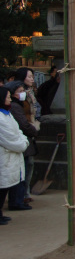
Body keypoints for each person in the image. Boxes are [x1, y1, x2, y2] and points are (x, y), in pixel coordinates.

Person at [5, 81, 38, 209]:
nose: (23, 93)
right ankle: (18, 200)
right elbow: (22, 125)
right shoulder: (14, 107)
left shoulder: (19, 105)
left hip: (23, 142)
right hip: (21, 144)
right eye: (19, 91)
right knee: (21, 174)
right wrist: (34, 131)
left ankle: (20, 198)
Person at [0, 86, 30, 225]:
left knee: (6, 186)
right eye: (7, 97)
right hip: (5, 157)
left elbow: (18, 132)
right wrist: (23, 144)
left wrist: (22, 140)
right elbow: (10, 139)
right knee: (2, 186)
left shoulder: (7, 113)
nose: (9, 99)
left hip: (11, 156)